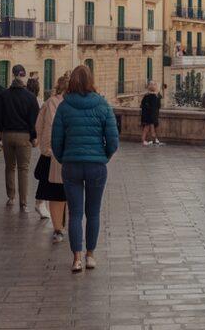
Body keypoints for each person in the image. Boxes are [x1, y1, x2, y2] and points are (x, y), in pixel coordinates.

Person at [52, 64, 118, 273]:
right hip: (96, 165)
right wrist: (103, 156)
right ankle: (90, 255)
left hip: (71, 164)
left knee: (75, 214)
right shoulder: (103, 105)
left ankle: (76, 259)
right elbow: (113, 141)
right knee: (93, 213)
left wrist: (64, 158)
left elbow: (56, 141)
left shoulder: (64, 106)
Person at [0, 64, 40, 212]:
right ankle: (23, 202)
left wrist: (0, 133)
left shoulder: (3, 95)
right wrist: (34, 137)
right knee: (24, 169)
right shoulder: (31, 97)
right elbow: (34, 120)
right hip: (24, 136)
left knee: (10, 167)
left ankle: (11, 197)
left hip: (8, 135)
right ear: (24, 77)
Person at [34, 72, 69, 240]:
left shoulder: (49, 103)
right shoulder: (73, 104)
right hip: (67, 154)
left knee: (54, 192)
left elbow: (38, 125)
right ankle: (64, 224)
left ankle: (58, 228)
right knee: (67, 191)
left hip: (49, 152)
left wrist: (39, 142)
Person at [140, 81, 163, 146]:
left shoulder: (147, 95)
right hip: (151, 115)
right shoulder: (155, 96)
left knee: (148, 128)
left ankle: (152, 140)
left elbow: (142, 105)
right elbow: (158, 106)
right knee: (149, 128)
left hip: (148, 114)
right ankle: (148, 140)